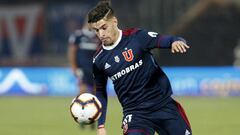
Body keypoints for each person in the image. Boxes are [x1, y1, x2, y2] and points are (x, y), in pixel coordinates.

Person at [88, 1, 192, 135]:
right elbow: (101, 92)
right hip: (135, 114)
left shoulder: (137, 37)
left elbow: (167, 39)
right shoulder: (98, 60)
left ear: (114, 21)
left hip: (163, 105)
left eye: (103, 27)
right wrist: (101, 125)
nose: (101, 34)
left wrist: (177, 41)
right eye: (96, 30)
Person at [68, 19, 100, 130]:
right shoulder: (78, 35)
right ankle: (81, 118)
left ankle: (93, 118)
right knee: (83, 93)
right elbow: (72, 51)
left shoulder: (98, 36)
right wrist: (73, 67)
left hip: (95, 69)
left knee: (96, 95)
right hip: (82, 69)